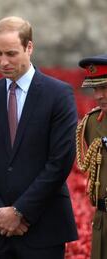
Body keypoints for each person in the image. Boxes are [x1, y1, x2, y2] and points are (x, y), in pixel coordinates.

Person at [0, 16, 78, 259]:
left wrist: (19, 212)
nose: (3, 62)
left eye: (11, 54)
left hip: (44, 228)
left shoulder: (58, 95)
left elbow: (60, 161)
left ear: (29, 47)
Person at [76, 54, 107, 259]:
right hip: (103, 220)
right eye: (96, 89)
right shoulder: (92, 123)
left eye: (105, 88)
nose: (98, 95)